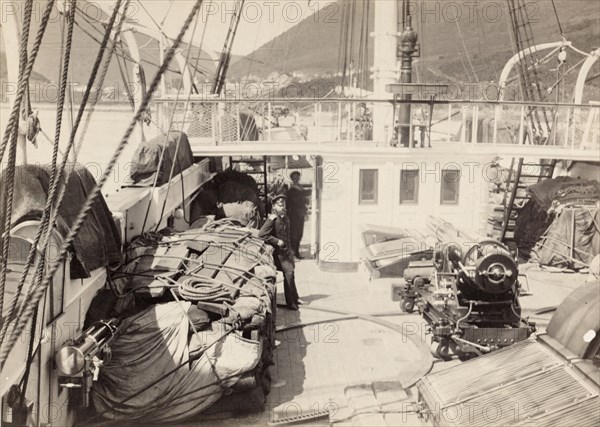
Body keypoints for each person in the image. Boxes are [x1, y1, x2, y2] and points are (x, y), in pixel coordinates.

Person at [258, 194, 303, 310]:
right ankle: (290, 302)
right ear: (274, 206)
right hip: (278, 253)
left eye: (283, 204)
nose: (282, 206)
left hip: (286, 252)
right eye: (279, 204)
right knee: (289, 273)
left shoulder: (285, 217)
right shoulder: (272, 219)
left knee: (291, 273)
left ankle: (295, 297)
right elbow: (262, 234)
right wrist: (277, 241)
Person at [286, 171, 307, 259]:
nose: (296, 178)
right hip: (294, 214)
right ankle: (293, 254)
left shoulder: (300, 188)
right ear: (292, 179)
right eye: (294, 177)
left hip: (300, 213)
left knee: (299, 234)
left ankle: (296, 253)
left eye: (297, 177)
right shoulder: (292, 190)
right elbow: (293, 202)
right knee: (294, 234)